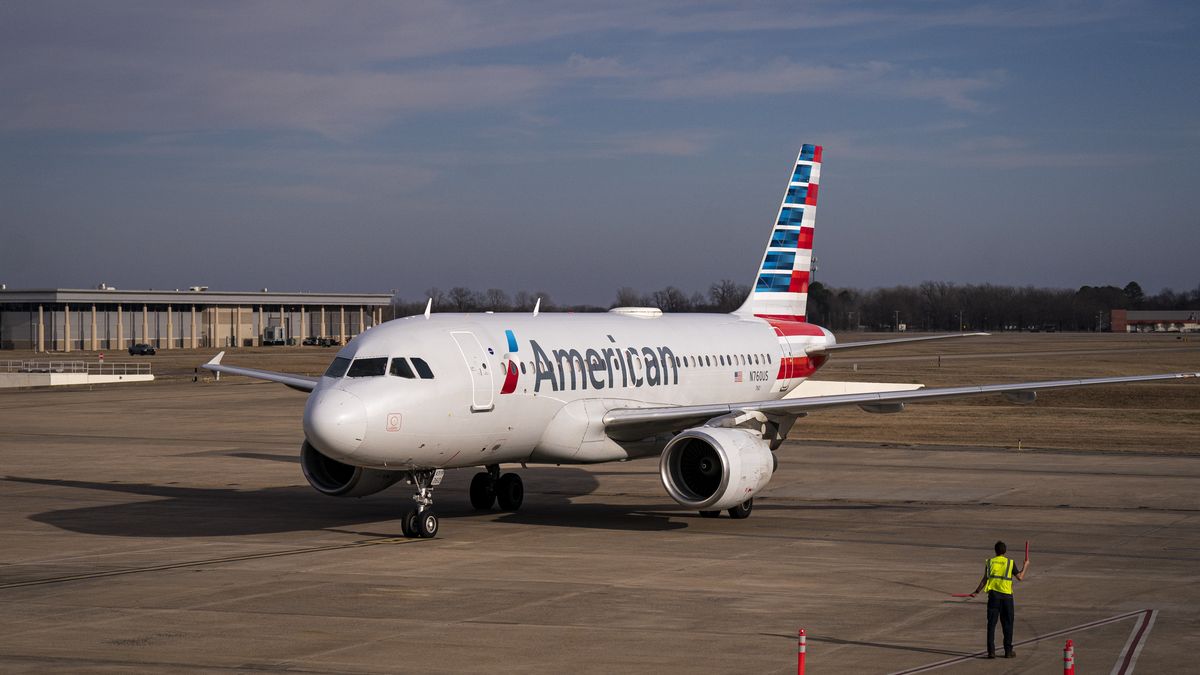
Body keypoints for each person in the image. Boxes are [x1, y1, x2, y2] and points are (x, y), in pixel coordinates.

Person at [971, 540, 1028, 659]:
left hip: (993, 597)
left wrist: (976, 591)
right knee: (1008, 624)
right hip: (1007, 597)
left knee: (991, 625)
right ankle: (1008, 651)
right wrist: (1026, 565)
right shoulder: (1010, 563)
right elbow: (1020, 577)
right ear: (1005, 551)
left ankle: (991, 652)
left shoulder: (990, 562)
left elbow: (985, 579)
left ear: (995, 551)